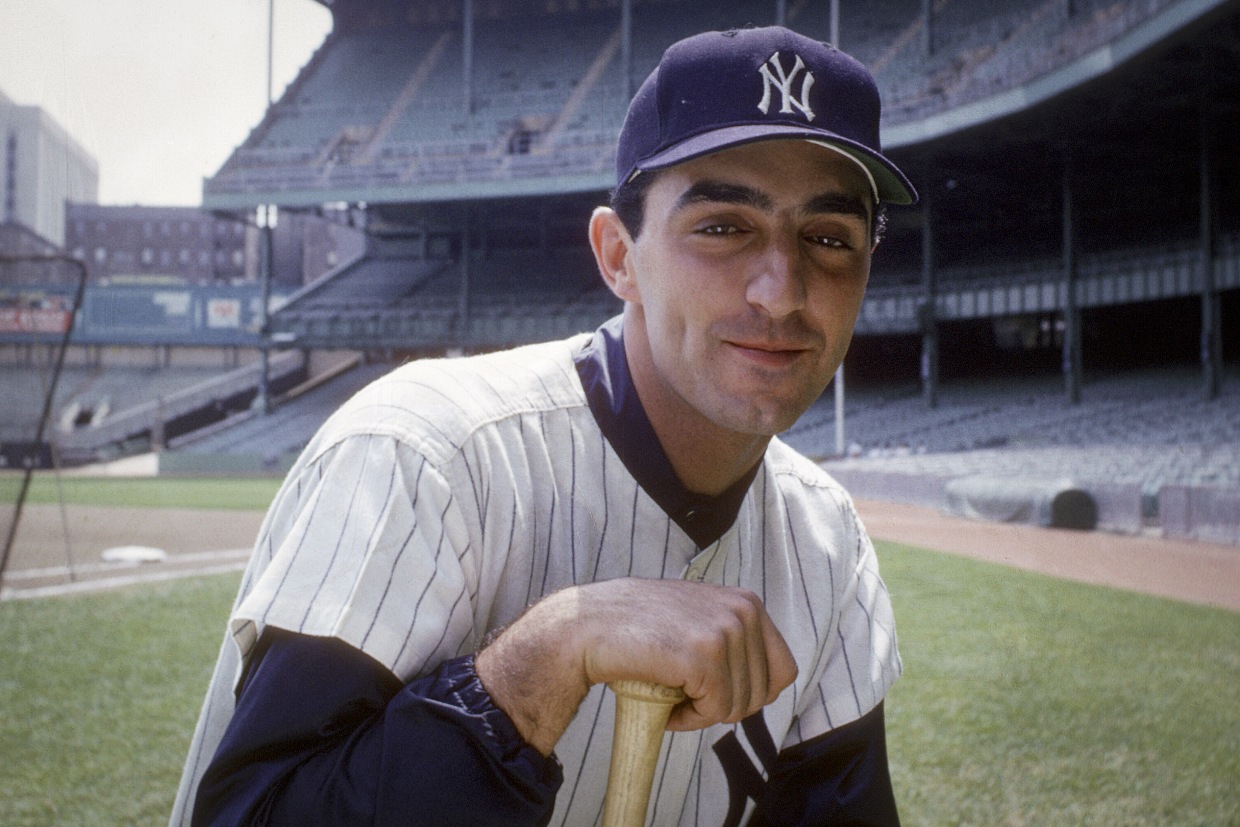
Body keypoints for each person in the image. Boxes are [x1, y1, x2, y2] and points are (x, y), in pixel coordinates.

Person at [171, 24, 917, 827]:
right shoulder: (425, 455)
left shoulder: (828, 548)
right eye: (724, 226)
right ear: (618, 256)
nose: (781, 290)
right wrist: (551, 652)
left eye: (829, 238)